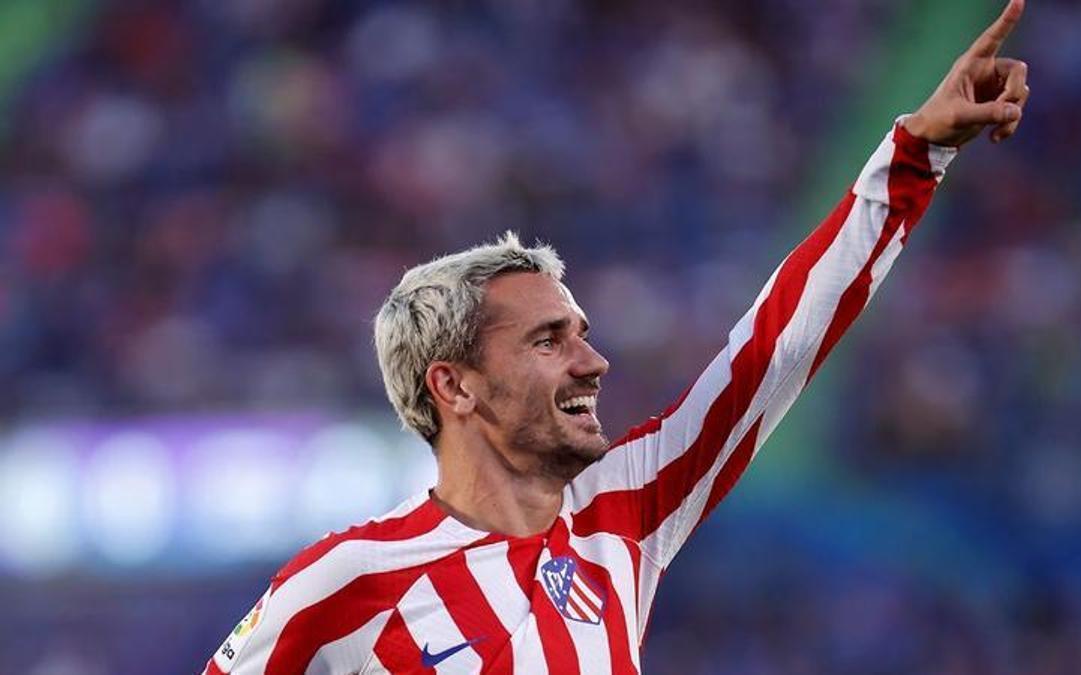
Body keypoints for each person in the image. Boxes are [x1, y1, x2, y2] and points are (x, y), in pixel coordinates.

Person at [204, 1, 1031, 672]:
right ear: (453, 385)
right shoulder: (346, 581)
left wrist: (913, 155)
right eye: (547, 340)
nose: (593, 361)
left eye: (583, 334)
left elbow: (776, 346)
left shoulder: (620, 514)